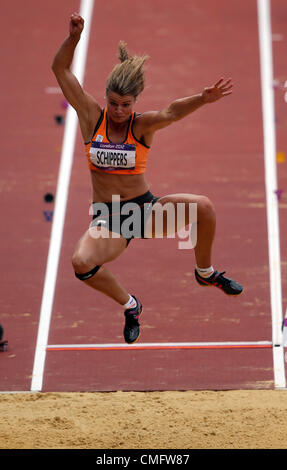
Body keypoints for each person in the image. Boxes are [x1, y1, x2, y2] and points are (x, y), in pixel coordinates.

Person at [52, 13, 243, 344]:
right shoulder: (90, 117)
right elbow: (61, 70)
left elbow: (170, 112)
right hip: (110, 218)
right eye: (113, 103)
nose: (118, 110)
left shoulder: (140, 126)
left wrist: (202, 98)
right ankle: (131, 306)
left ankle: (205, 272)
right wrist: (72, 40)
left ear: (134, 103)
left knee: (205, 208)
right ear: (106, 98)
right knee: (81, 262)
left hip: (145, 211)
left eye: (126, 104)